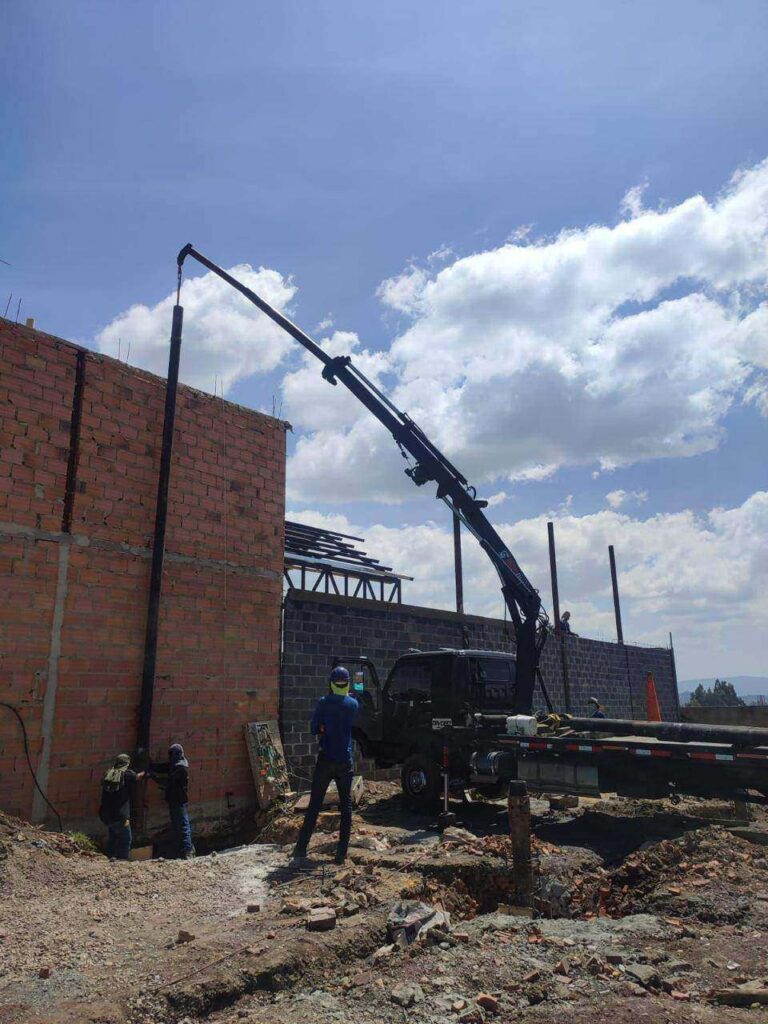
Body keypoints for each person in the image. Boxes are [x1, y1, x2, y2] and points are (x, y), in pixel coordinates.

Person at [292, 667, 359, 866]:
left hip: (326, 760)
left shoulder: (323, 702)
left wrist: (323, 726)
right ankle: (340, 854)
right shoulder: (353, 704)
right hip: (344, 762)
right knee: (346, 807)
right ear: (347, 683)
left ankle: (301, 848)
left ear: (331, 683)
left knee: (314, 805)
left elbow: (314, 728)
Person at [151, 743, 194, 859]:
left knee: (183, 826)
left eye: (172, 754)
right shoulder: (175, 764)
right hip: (173, 799)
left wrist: (154, 778)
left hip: (179, 800)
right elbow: (163, 767)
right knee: (177, 825)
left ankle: (188, 850)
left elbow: (168, 781)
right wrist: (151, 766)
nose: (170, 757)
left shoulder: (180, 767)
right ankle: (182, 849)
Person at [99, 753, 144, 860]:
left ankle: (109, 859)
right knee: (126, 840)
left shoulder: (108, 773)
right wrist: (146, 770)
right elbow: (138, 777)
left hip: (105, 814)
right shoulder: (127, 775)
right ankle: (123, 863)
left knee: (113, 837)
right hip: (120, 815)